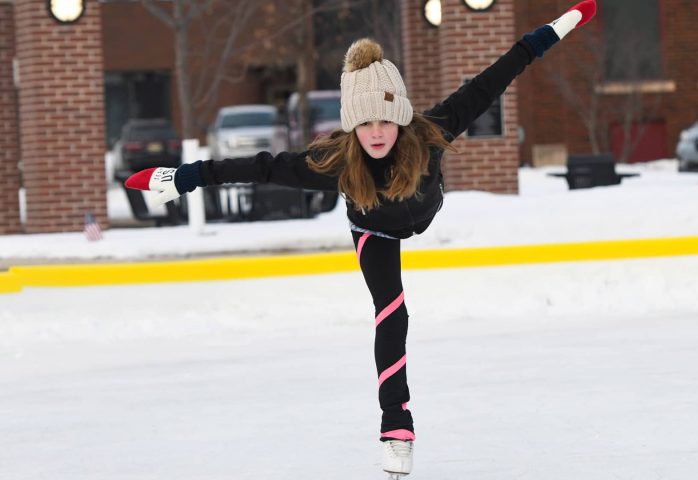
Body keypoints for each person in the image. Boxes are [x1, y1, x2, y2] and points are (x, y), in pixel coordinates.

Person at [126, 1, 597, 476]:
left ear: (402, 117)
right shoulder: (334, 162)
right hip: (372, 224)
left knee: (398, 294)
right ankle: (397, 429)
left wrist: (552, 31)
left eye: (386, 120)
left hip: (423, 210)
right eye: (365, 122)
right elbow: (260, 166)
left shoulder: (432, 133)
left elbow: (495, 77)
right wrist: (184, 176)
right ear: (351, 124)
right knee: (392, 312)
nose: (376, 132)